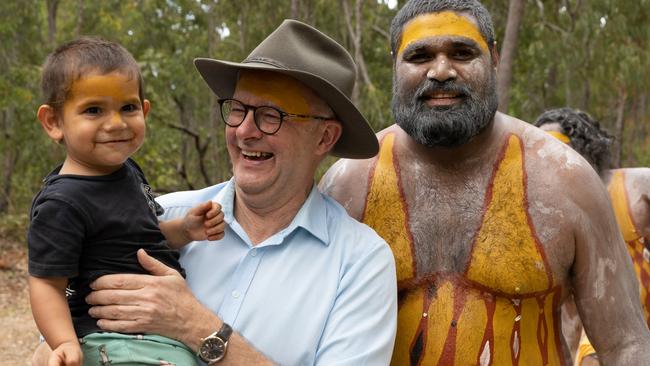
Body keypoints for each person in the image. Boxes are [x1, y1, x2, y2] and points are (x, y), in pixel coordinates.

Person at [33, 20, 397, 365]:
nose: (244, 131)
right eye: (237, 109)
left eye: (271, 115)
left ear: (325, 137)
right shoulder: (163, 214)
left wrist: (197, 326)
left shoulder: (360, 263)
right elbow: (52, 343)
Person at [319, 1, 650, 365]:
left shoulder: (566, 182)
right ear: (394, 65)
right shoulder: (348, 186)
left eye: (462, 53)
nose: (441, 71)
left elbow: (627, 346)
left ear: (493, 58)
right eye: (420, 56)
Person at [29, 37, 226, 366]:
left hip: (165, 340)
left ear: (144, 110)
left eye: (128, 108)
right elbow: (46, 283)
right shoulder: (62, 202)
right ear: (54, 122)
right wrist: (63, 342)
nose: (116, 123)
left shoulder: (128, 172)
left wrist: (187, 229)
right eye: (93, 110)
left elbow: (143, 237)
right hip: (109, 342)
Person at [536, 107, 650, 365]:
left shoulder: (635, 187)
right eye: (538, 147)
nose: (545, 156)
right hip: (594, 334)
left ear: (583, 145)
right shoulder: (550, 216)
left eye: (556, 145)